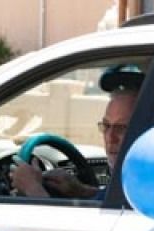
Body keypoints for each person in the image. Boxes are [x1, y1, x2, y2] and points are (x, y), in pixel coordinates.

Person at [11, 65, 142, 198]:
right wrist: (80, 190)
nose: (110, 137)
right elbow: (111, 199)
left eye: (121, 128)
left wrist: (32, 188)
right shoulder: (129, 178)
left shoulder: (146, 178)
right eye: (106, 125)